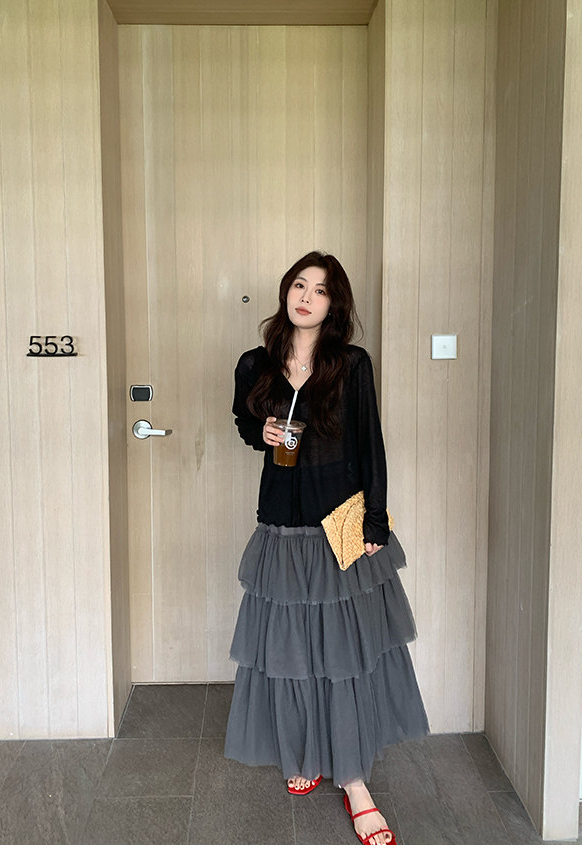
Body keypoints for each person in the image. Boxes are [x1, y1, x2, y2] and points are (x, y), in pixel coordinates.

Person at [224, 251, 429, 845]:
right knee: (291, 651)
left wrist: (375, 521)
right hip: (281, 523)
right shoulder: (255, 363)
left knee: (341, 654)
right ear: (286, 292)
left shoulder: (351, 364)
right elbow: (244, 423)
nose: (306, 296)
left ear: (334, 304)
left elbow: (370, 444)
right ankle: (304, 751)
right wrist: (261, 431)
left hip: (339, 523)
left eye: (320, 289)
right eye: (299, 285)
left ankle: (355, 781)